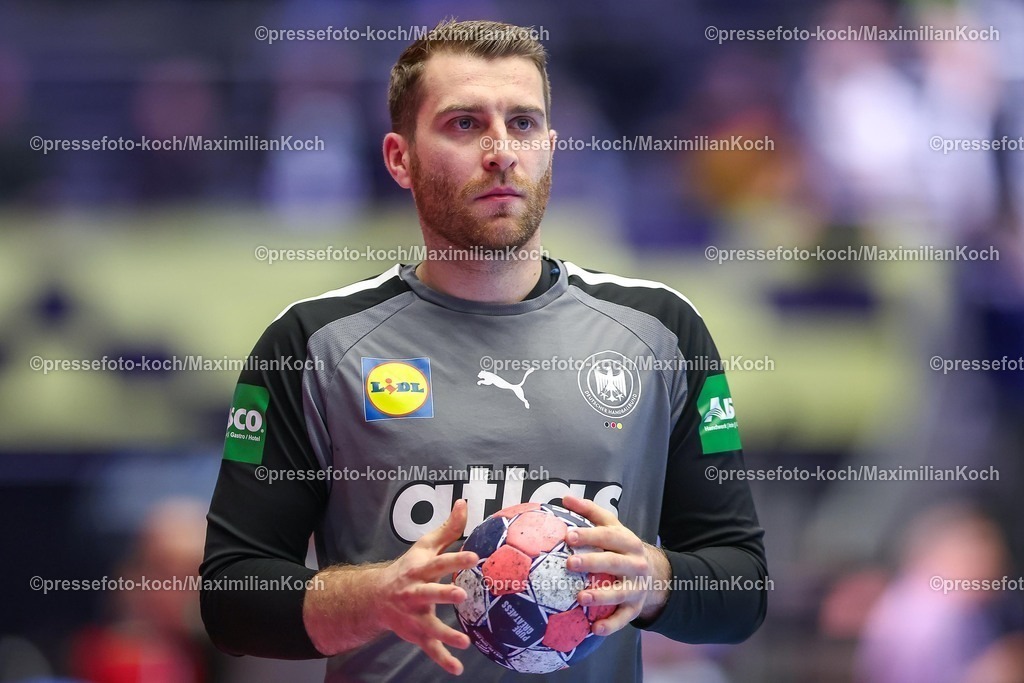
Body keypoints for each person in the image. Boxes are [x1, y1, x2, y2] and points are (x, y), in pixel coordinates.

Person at [200, 18, 767, 682]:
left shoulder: (661, 329)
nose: (501, 150)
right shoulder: (310, 344)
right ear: (399, 157)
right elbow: (232, 597)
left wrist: (654, 579)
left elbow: (742, 586)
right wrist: (375, 598)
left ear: (552, 147)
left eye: (523, 124)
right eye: (465, 124)